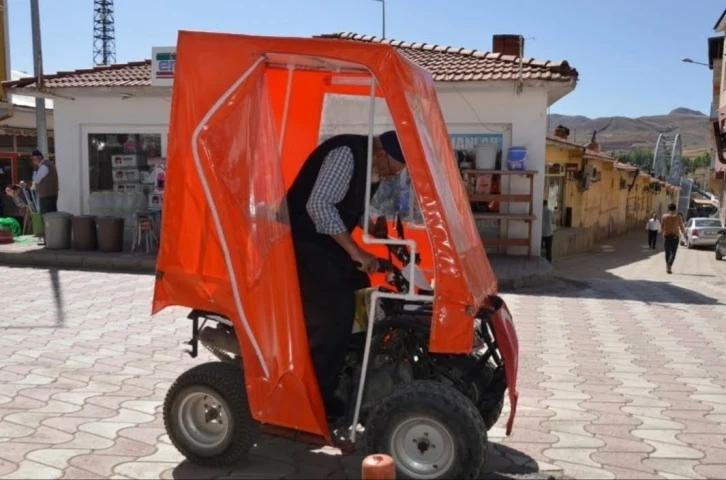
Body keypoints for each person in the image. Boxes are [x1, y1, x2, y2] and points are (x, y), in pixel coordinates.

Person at [286, 131, 406, 420]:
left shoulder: (371, 166)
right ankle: (314, 402)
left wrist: (371, 229)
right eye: (393, 169)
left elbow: (346, 205)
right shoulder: (348, 153)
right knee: (336, 313)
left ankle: (350, 372)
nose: (391, 177)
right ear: (380, 155)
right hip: (299, 241)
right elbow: (320, 205)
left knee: (361, 290)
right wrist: (357, 252)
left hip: (323, 243)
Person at [20, 150, 59, 246]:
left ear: (38, 158)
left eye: (33, 159)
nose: (33, 161)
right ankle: (51, 239)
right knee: (50, 216)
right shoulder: (47, 165)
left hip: (47, 196)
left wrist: (34, 171)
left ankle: (49, 240)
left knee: (46, 217)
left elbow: (37, 179)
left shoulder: (44, 166)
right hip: (49, 195)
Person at [660, 203, 687, 274]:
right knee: (673, 252)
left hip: (666, 236)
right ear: (675, 209)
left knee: (667, 252)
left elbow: (662, 226)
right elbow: (681, 227)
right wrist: (684, 234)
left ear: (668, 209)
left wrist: (662, 234)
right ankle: (669, 265)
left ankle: (667, 266)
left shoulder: (664, 216)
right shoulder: (678, 217)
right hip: (675, 237)